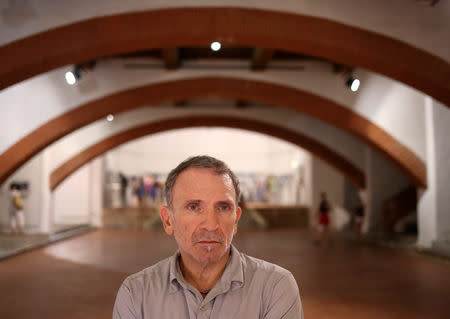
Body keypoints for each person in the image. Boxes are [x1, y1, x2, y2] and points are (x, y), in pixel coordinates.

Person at [113, 155, 303, 319]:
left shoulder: (275, 288)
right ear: (168, 220)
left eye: (223, 207)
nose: (211, 225)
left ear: (235, 220)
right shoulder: (135, 294)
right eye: (194, 207)